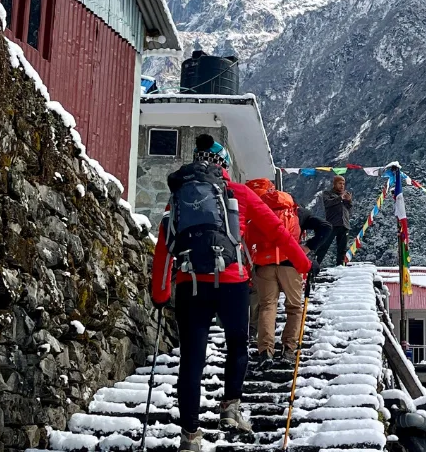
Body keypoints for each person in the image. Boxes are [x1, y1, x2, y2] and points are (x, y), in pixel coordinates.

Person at [151, 134, 310, 451]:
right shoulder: (239, 194)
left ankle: (190, 436)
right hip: (232, 282)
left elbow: (163, 249)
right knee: (237, 344)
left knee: (191, 361)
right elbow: (276, 231)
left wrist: (160, 292)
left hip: (190, 283)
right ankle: (231, 409)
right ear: (223, 166)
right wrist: (304, 264)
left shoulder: (178, 198)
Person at [245, 178, 328, 367]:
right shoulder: (295, 212)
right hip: (290, 263)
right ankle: (289, 349)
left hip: (264, 265)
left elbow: (247, 240)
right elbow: (326, 227)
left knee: (267, 306)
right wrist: (306, 249)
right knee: (294, 307)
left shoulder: (259, 211)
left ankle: (265, 350)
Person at [314, 175, 353, 267]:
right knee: (324, 246)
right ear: (335, 184)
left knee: (342, 249)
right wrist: (340, 198)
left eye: (343, 184)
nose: (342, 186)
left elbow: (349, 210)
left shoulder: (345, 194)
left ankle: (341, 266)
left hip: (344, 224)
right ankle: (314, 266)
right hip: (332, 224)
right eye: (340, 183)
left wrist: (349, 201)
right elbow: (327, 203)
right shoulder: (327, 194)